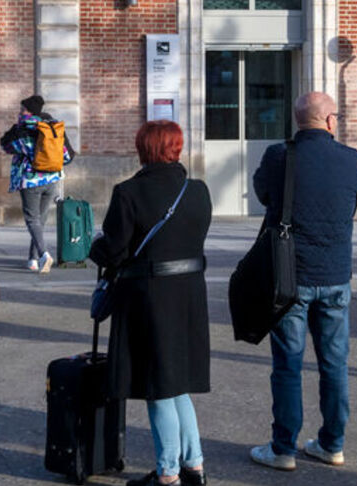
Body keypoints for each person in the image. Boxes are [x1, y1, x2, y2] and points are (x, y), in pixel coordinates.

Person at [89, 120, 212, 486]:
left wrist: (96, 246)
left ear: (143, 149)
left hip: (148, 297)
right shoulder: (198, 191)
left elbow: (113, 250)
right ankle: (195, 466)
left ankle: (168, 474)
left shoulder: (128, 193)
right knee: (177, 385)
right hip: (190, 296)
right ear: (176, 147)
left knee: (158, 386)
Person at [249, 91, 357, 471]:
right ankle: (332, 443)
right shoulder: (351, 160)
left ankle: (283, 448)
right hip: (335, 275)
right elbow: (352, 203)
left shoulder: (279, 156)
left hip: (289, 278)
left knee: (288, 364)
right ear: (331, 121)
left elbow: (264, 194)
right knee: (335, 364)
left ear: (298, 121)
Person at [0, 94, 74, 274]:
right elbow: (68, 156)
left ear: (28, 111)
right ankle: (33, 260)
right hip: (53, 180)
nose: (19, 112)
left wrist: (16, 129)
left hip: (31, 181)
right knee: (39, 221)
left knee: (32, 220)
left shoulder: (24, 128)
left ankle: (43, 254)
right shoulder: (54, 127)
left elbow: (6, 145)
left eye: (21, 109)